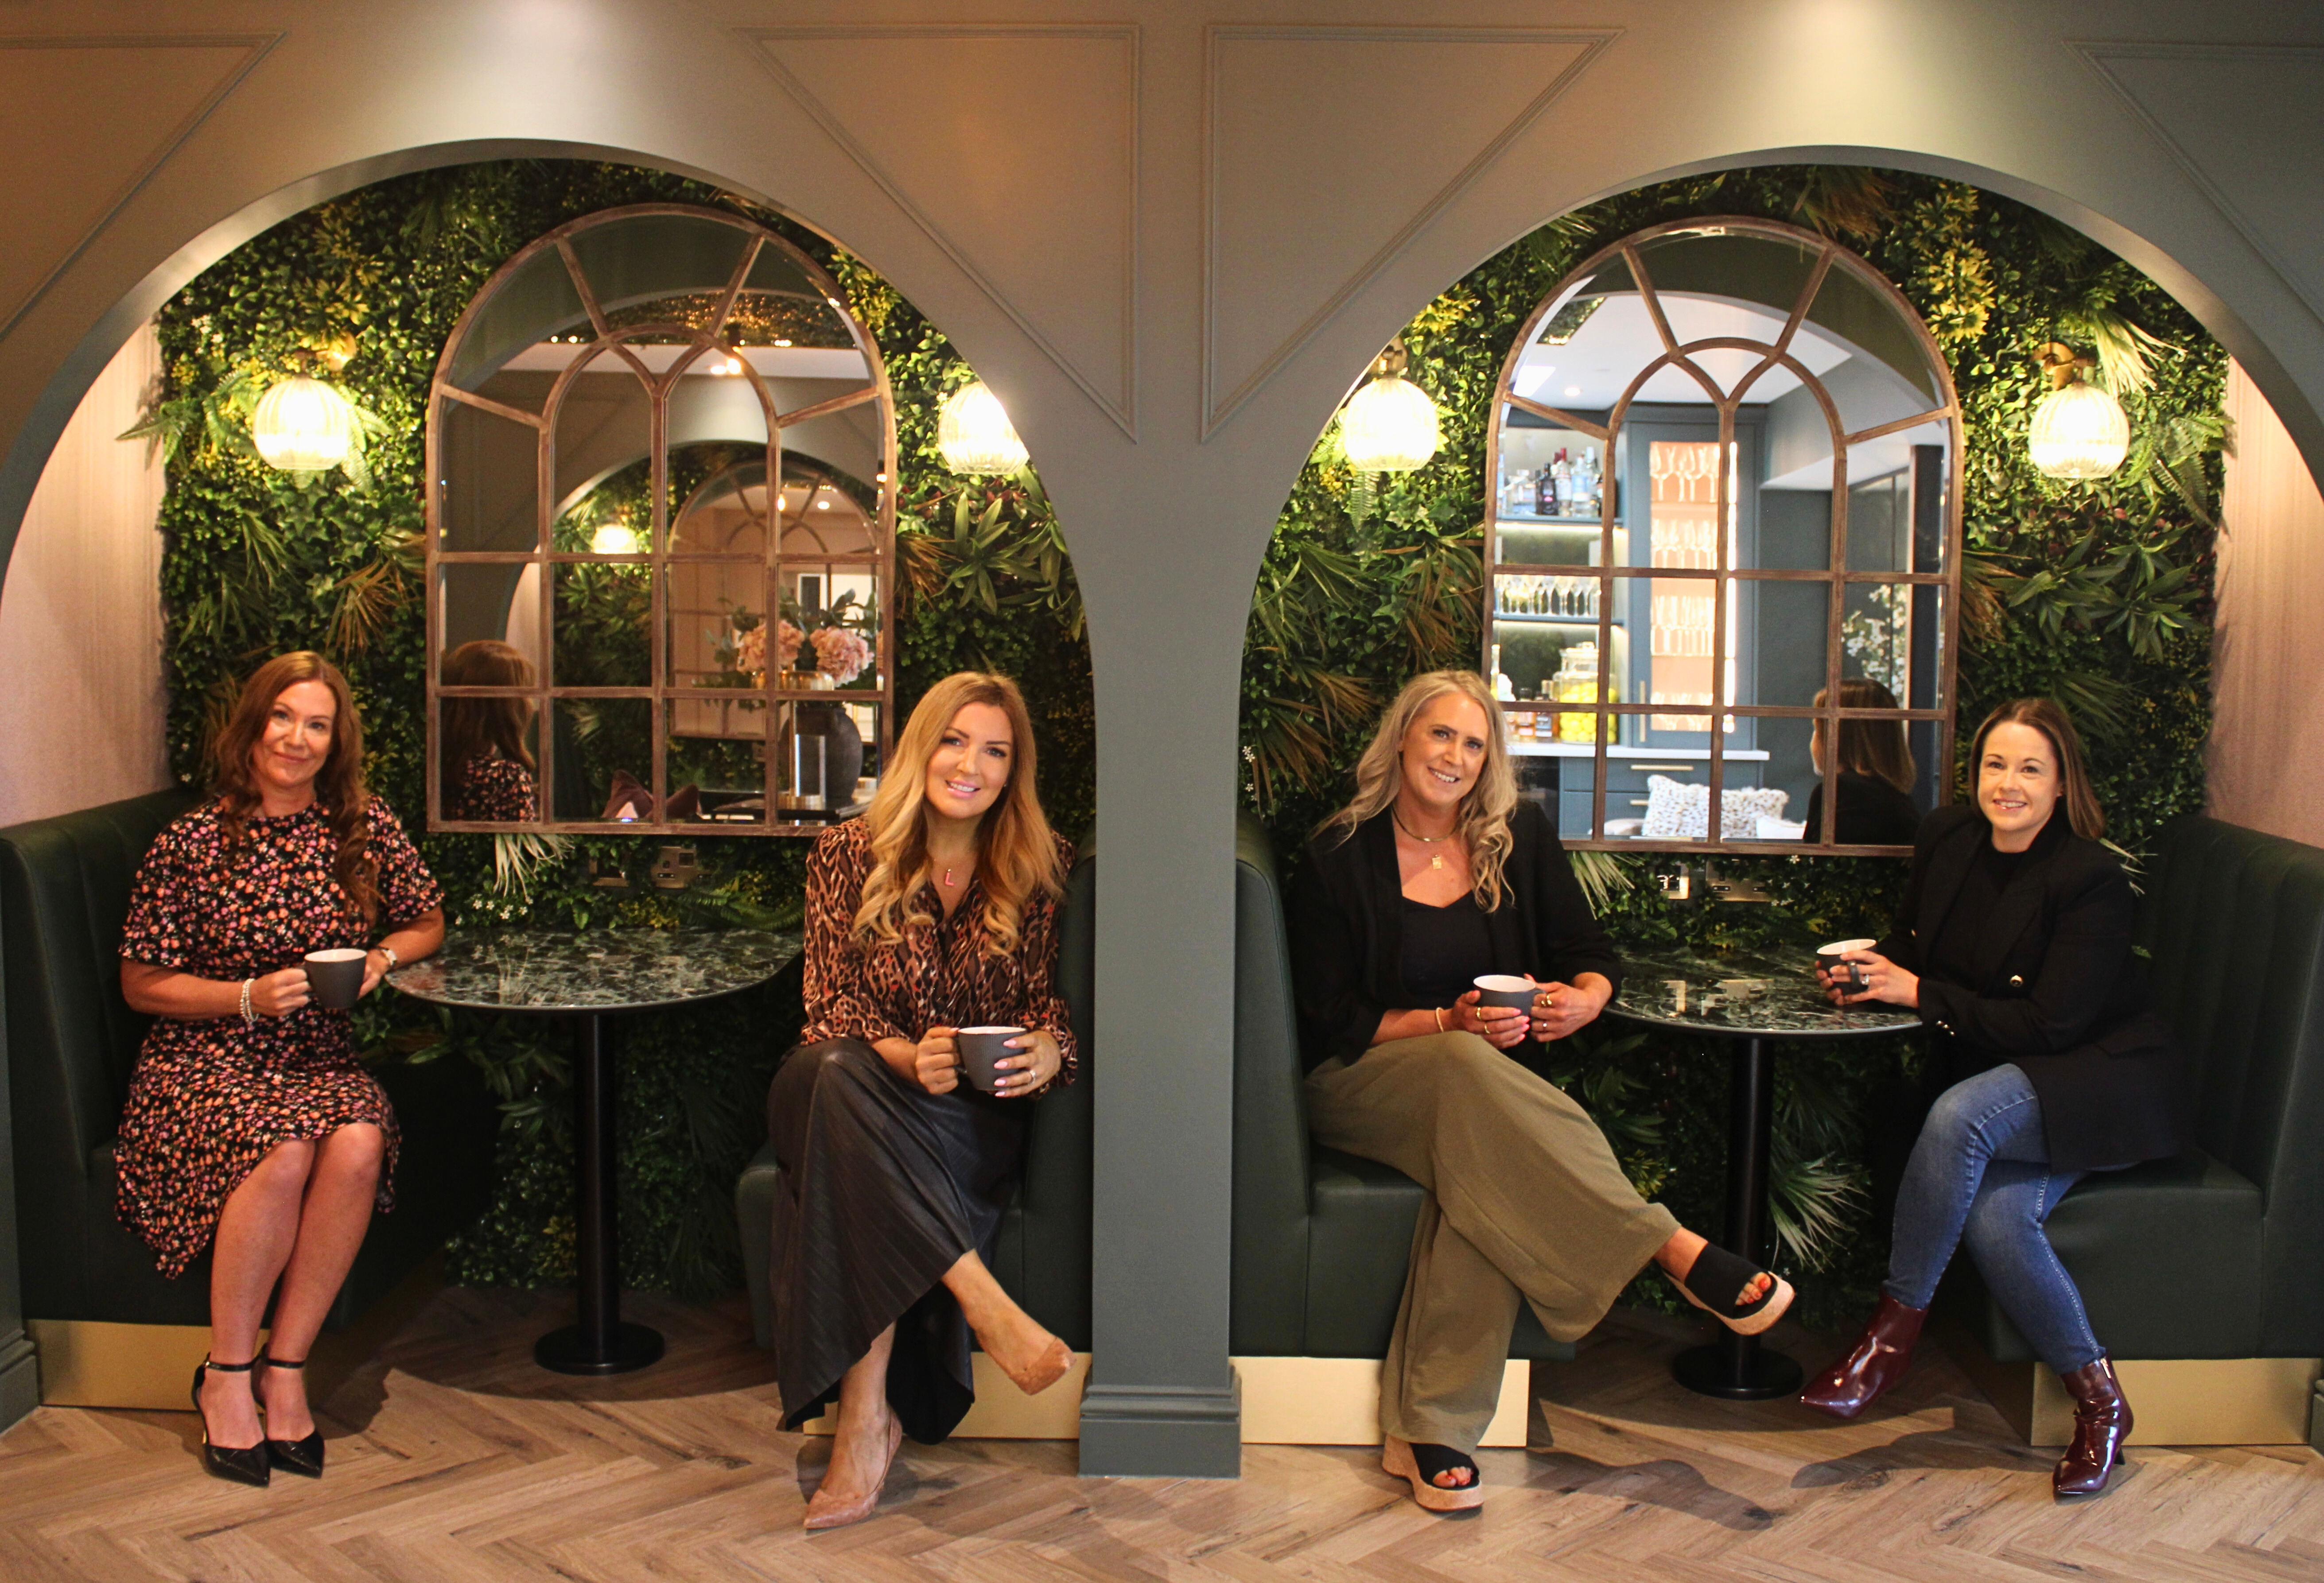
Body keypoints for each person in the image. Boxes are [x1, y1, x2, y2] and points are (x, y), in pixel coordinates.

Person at [1288, 669, 1795, 1513]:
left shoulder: (1516, 834)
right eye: (1440, 734)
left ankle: (1428, 1432)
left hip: (1483, 1094)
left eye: (1473, 743)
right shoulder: (1337, 854)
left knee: (1481, 1178)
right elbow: (1331, 1015)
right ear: (1403, 737)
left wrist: (1583, 999)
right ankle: (1669, 1247)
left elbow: (1589, 953)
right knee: (1465, 1070)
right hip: (1359, 1079)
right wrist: (1446, 1020)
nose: (1454, 756)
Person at [1799, 697, 2181, 1500]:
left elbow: (2049, 1024)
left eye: (2030, 768)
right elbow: (1913, 944)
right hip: (2008, 1071)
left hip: (2095, 1076)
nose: (2008, 783)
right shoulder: (1947, 837)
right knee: (1996, 1215)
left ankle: (1887, 1342)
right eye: (1996, 764)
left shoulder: (2088, 878)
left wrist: (1917, 993)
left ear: (2060, 783)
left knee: (1959, 1116)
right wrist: (1867, 973)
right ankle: (2102, 1405)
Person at [117, 651, 446, 1486]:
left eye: (317, 725)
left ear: (336, 742)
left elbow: (428, 920)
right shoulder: (191, 841)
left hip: (315, 1056)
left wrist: (380, 958)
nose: (297, 739)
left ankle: (286, 1366)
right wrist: (246, 996)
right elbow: (141, 982)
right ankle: (226, 1374)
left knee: (360, 1140)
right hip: (204, 1058)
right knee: (288, 1146)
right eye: (283, 717)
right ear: (254, 724)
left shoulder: (361, 827)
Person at [765, 671, 1078, 1529]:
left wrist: (1051, 1047)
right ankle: (981, 1301)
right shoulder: (845, 850)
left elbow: (1050, 1006)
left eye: (994, 751)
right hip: (839, 1082)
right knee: (836, 1072)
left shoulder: (1039, 865)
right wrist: (906, 1058)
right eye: (954, 740)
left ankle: (867, 1421)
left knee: (851, 1137)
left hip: (964, 1118)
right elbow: (828, 1002)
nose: (970, 765)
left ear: (1013, 770)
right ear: (920, 746)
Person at [1801, 678, 1922, 845]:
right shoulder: (1892, 796)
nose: (1813, 738)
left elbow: (1824, 859)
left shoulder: (1843, 792)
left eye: (1816, 729)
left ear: (1837, 736)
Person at [440, 638, 538, 820]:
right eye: (524, 693)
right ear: (506, 707)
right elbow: (523, 838)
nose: (530, 703)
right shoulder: (505, 778)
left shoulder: (435, 767)